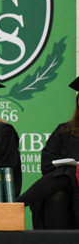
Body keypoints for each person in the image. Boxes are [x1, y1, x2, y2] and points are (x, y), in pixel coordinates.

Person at [17, 76, 79, 229]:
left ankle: (16, 203)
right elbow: (47, 165)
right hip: (68, 188)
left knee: (69, 172)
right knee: (57, 196)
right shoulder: (64, 130)